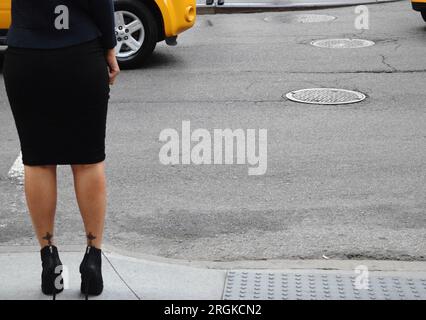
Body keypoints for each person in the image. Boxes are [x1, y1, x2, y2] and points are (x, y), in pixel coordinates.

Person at [2, 0, 120, 299]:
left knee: (38, 161)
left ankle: (49, 259)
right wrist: (109, 46)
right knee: (88, 161)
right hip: (80, 51)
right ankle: (93, 259)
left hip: (26, 54)